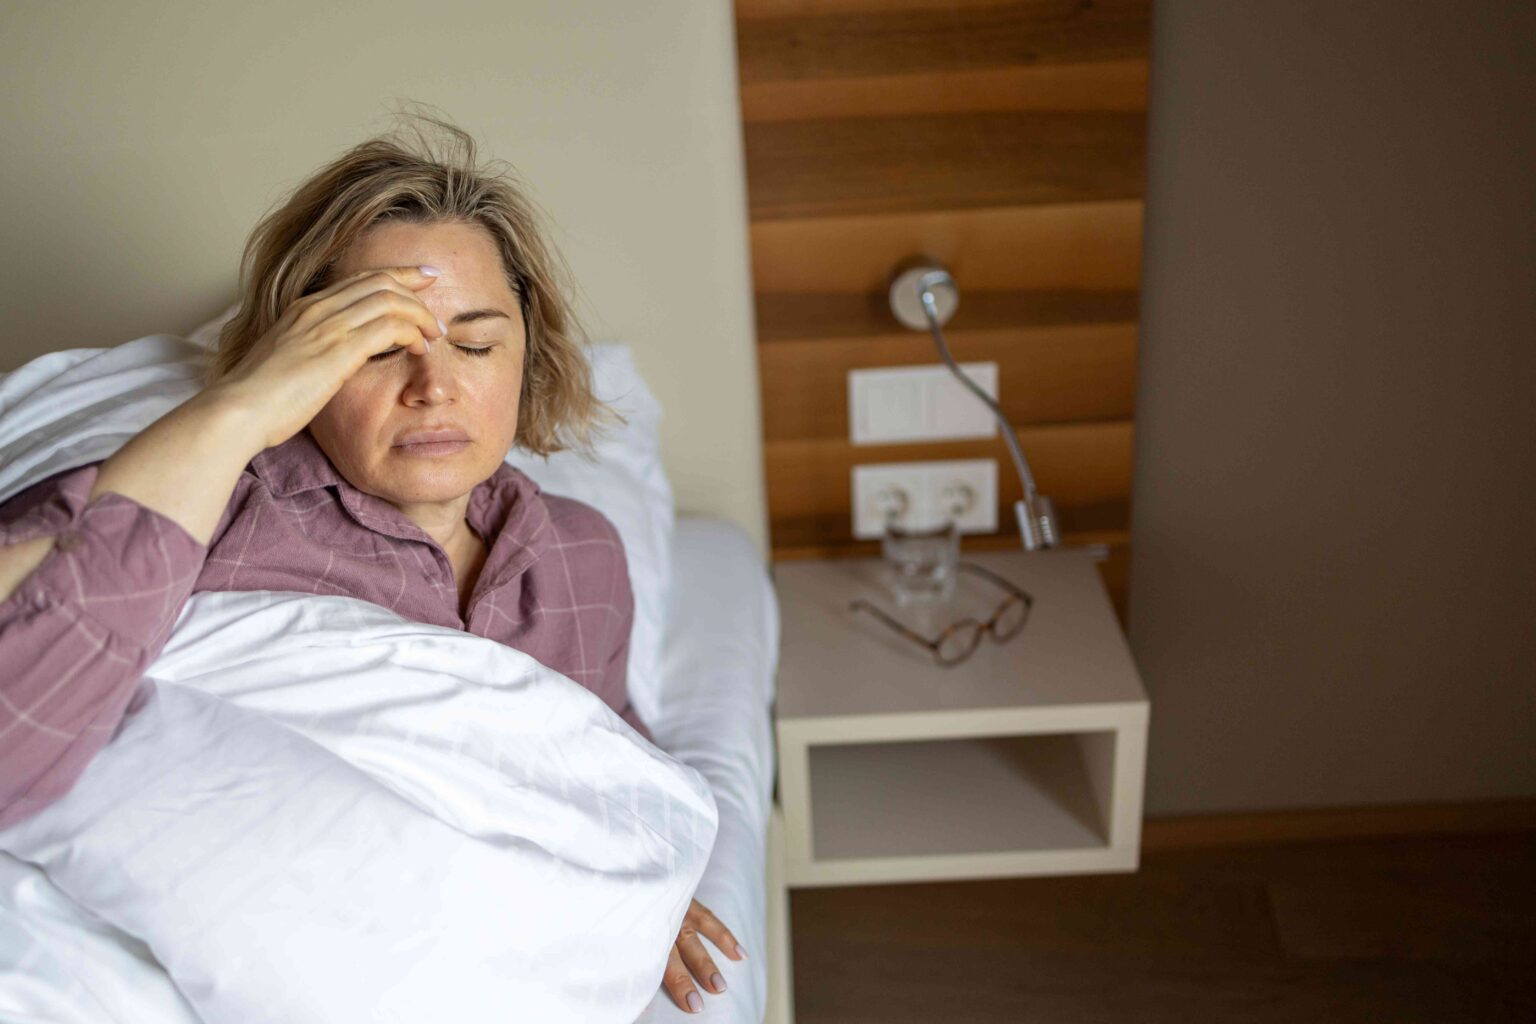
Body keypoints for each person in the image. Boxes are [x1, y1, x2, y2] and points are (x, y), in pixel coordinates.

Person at [0, 113, 741, 1015]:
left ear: (526, 356)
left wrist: (637, 893)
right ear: (303, 357)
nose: (435, 386)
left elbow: (602, 754)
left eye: (474, 344)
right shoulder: (215, 498)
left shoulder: (582, 555)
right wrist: (240, 410)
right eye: (380, 345)